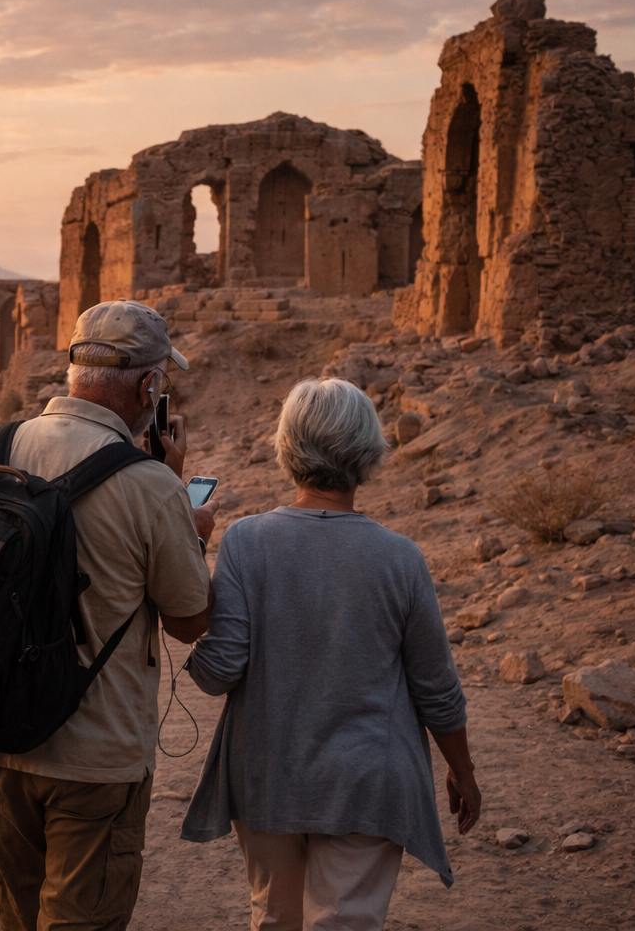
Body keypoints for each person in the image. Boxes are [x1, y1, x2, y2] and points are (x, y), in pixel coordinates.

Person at [0, 299, 219, 931]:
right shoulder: (150, 486)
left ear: (73, 369)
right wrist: (186, 515)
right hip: (95, 762)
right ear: (150, 387)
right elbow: (188, 619)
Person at [181, 377, 480, 931]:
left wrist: (187, 638)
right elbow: (436, 688)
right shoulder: (401, 558)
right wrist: (462, 771)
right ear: (369, 453)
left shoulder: (246, 541)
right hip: (368, 779)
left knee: (273, 919)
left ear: (287, 450)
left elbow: (219, 671)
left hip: (266, 775)